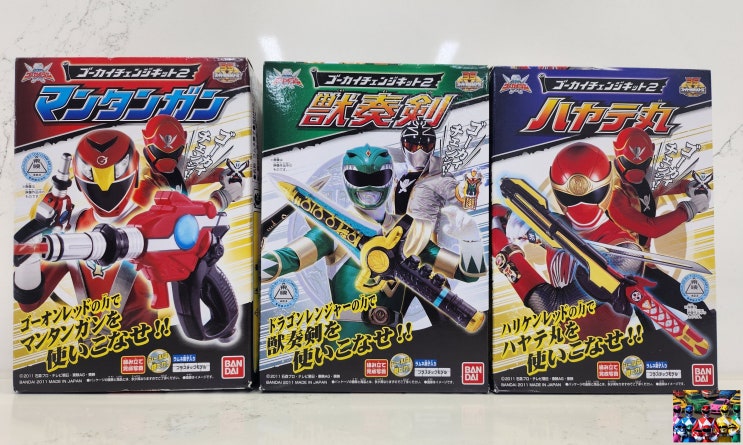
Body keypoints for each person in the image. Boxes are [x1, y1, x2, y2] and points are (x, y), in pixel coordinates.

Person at [261, 145, 486, 336]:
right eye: (359, 178)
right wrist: (259, 265)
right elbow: (286, 259)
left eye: (377, 178)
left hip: (396, 344)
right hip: (345, 344)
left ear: (391, 179)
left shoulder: (410, 233)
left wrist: (470, 239)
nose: (368, 187)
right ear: (347, 181)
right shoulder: (329, 232)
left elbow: (467, 274)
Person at [14, 129, 157, 328]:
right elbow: (29, 302)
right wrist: (30, 255)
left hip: (146, 340)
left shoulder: (154, 221)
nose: (104, 182)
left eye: (114, 170)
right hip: (90, 342)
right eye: (92, 172)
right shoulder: (72, 225)